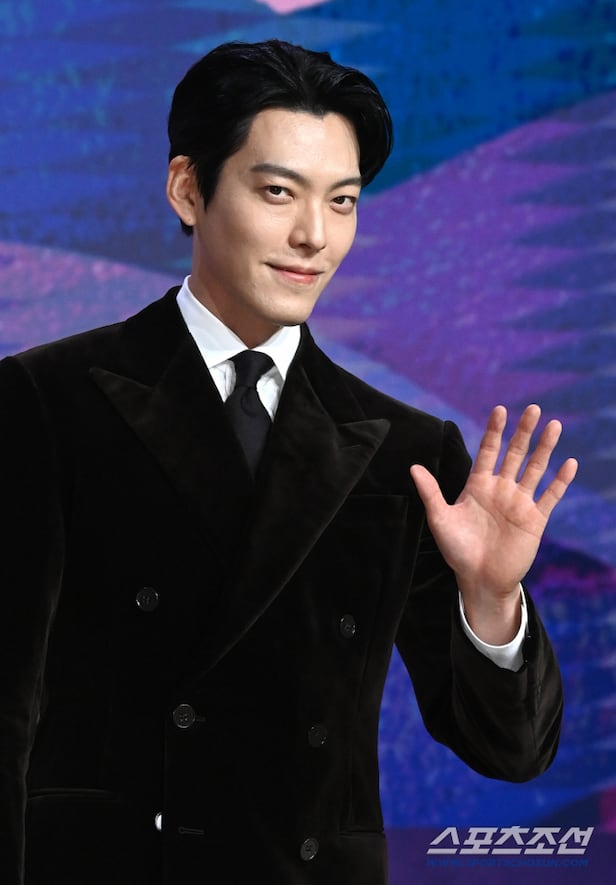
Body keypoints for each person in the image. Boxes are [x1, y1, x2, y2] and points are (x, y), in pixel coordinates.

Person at [0, 39, 577, 885]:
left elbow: (511, 750)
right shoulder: (47, 400)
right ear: (188, 188)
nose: (314, 236)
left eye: (342, 201)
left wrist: (490, 601)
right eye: (278, 192)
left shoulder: (406, 449)